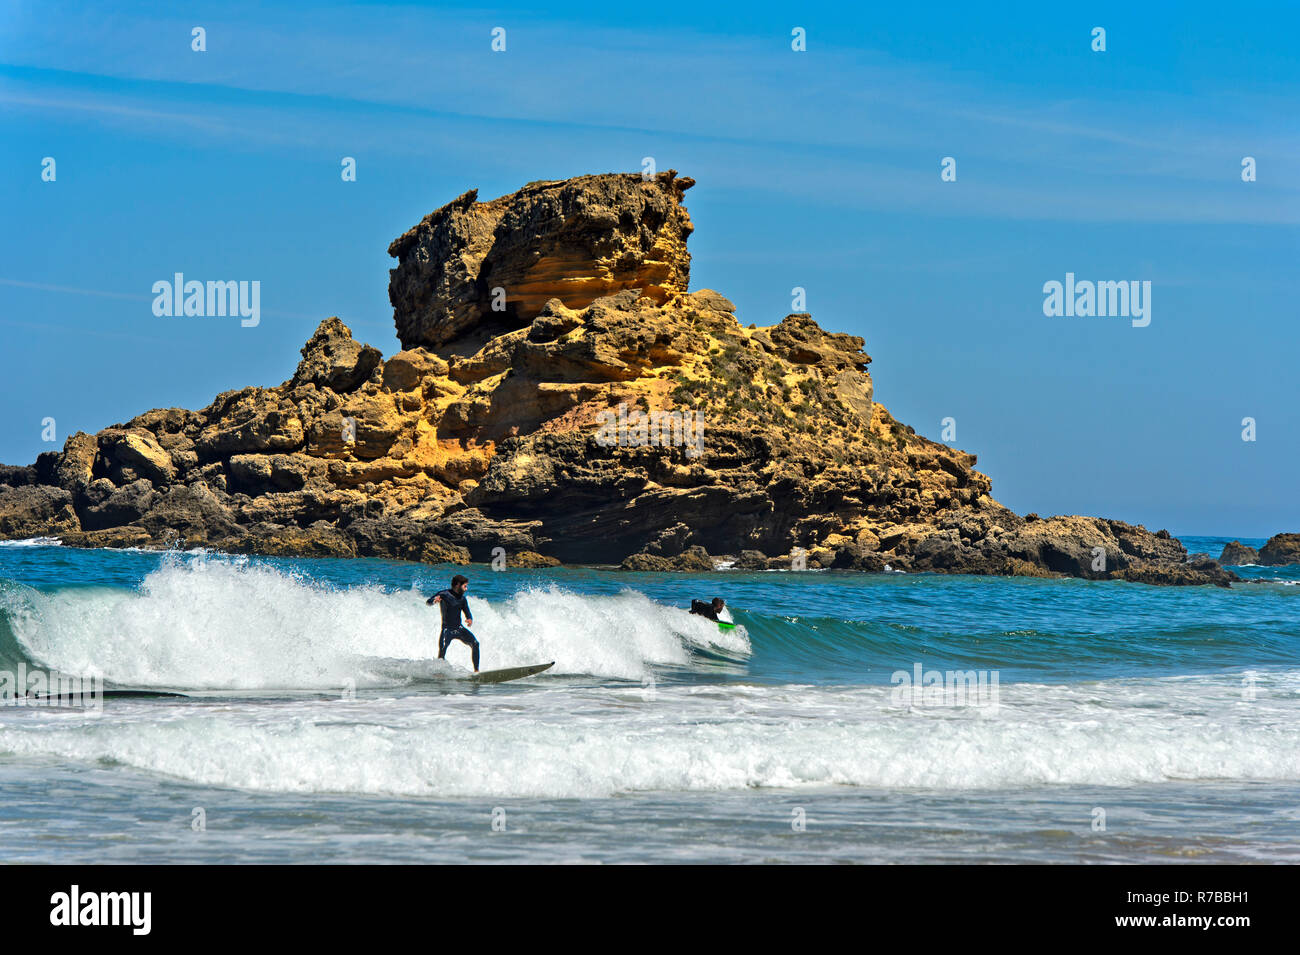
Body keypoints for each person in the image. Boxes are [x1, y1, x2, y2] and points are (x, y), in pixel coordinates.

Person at [427, 574, 479, 672]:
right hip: (447, 629)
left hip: (459, 628)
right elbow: (428, 602)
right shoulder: (443, 594)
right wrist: (434, 600)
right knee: (442, 650)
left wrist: (469, 619)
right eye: (465, 586)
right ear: (458, 585)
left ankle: (476, 671)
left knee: (475, 644)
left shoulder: (462, 599)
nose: (466, 589)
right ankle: (438, 673)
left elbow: (467, 611)